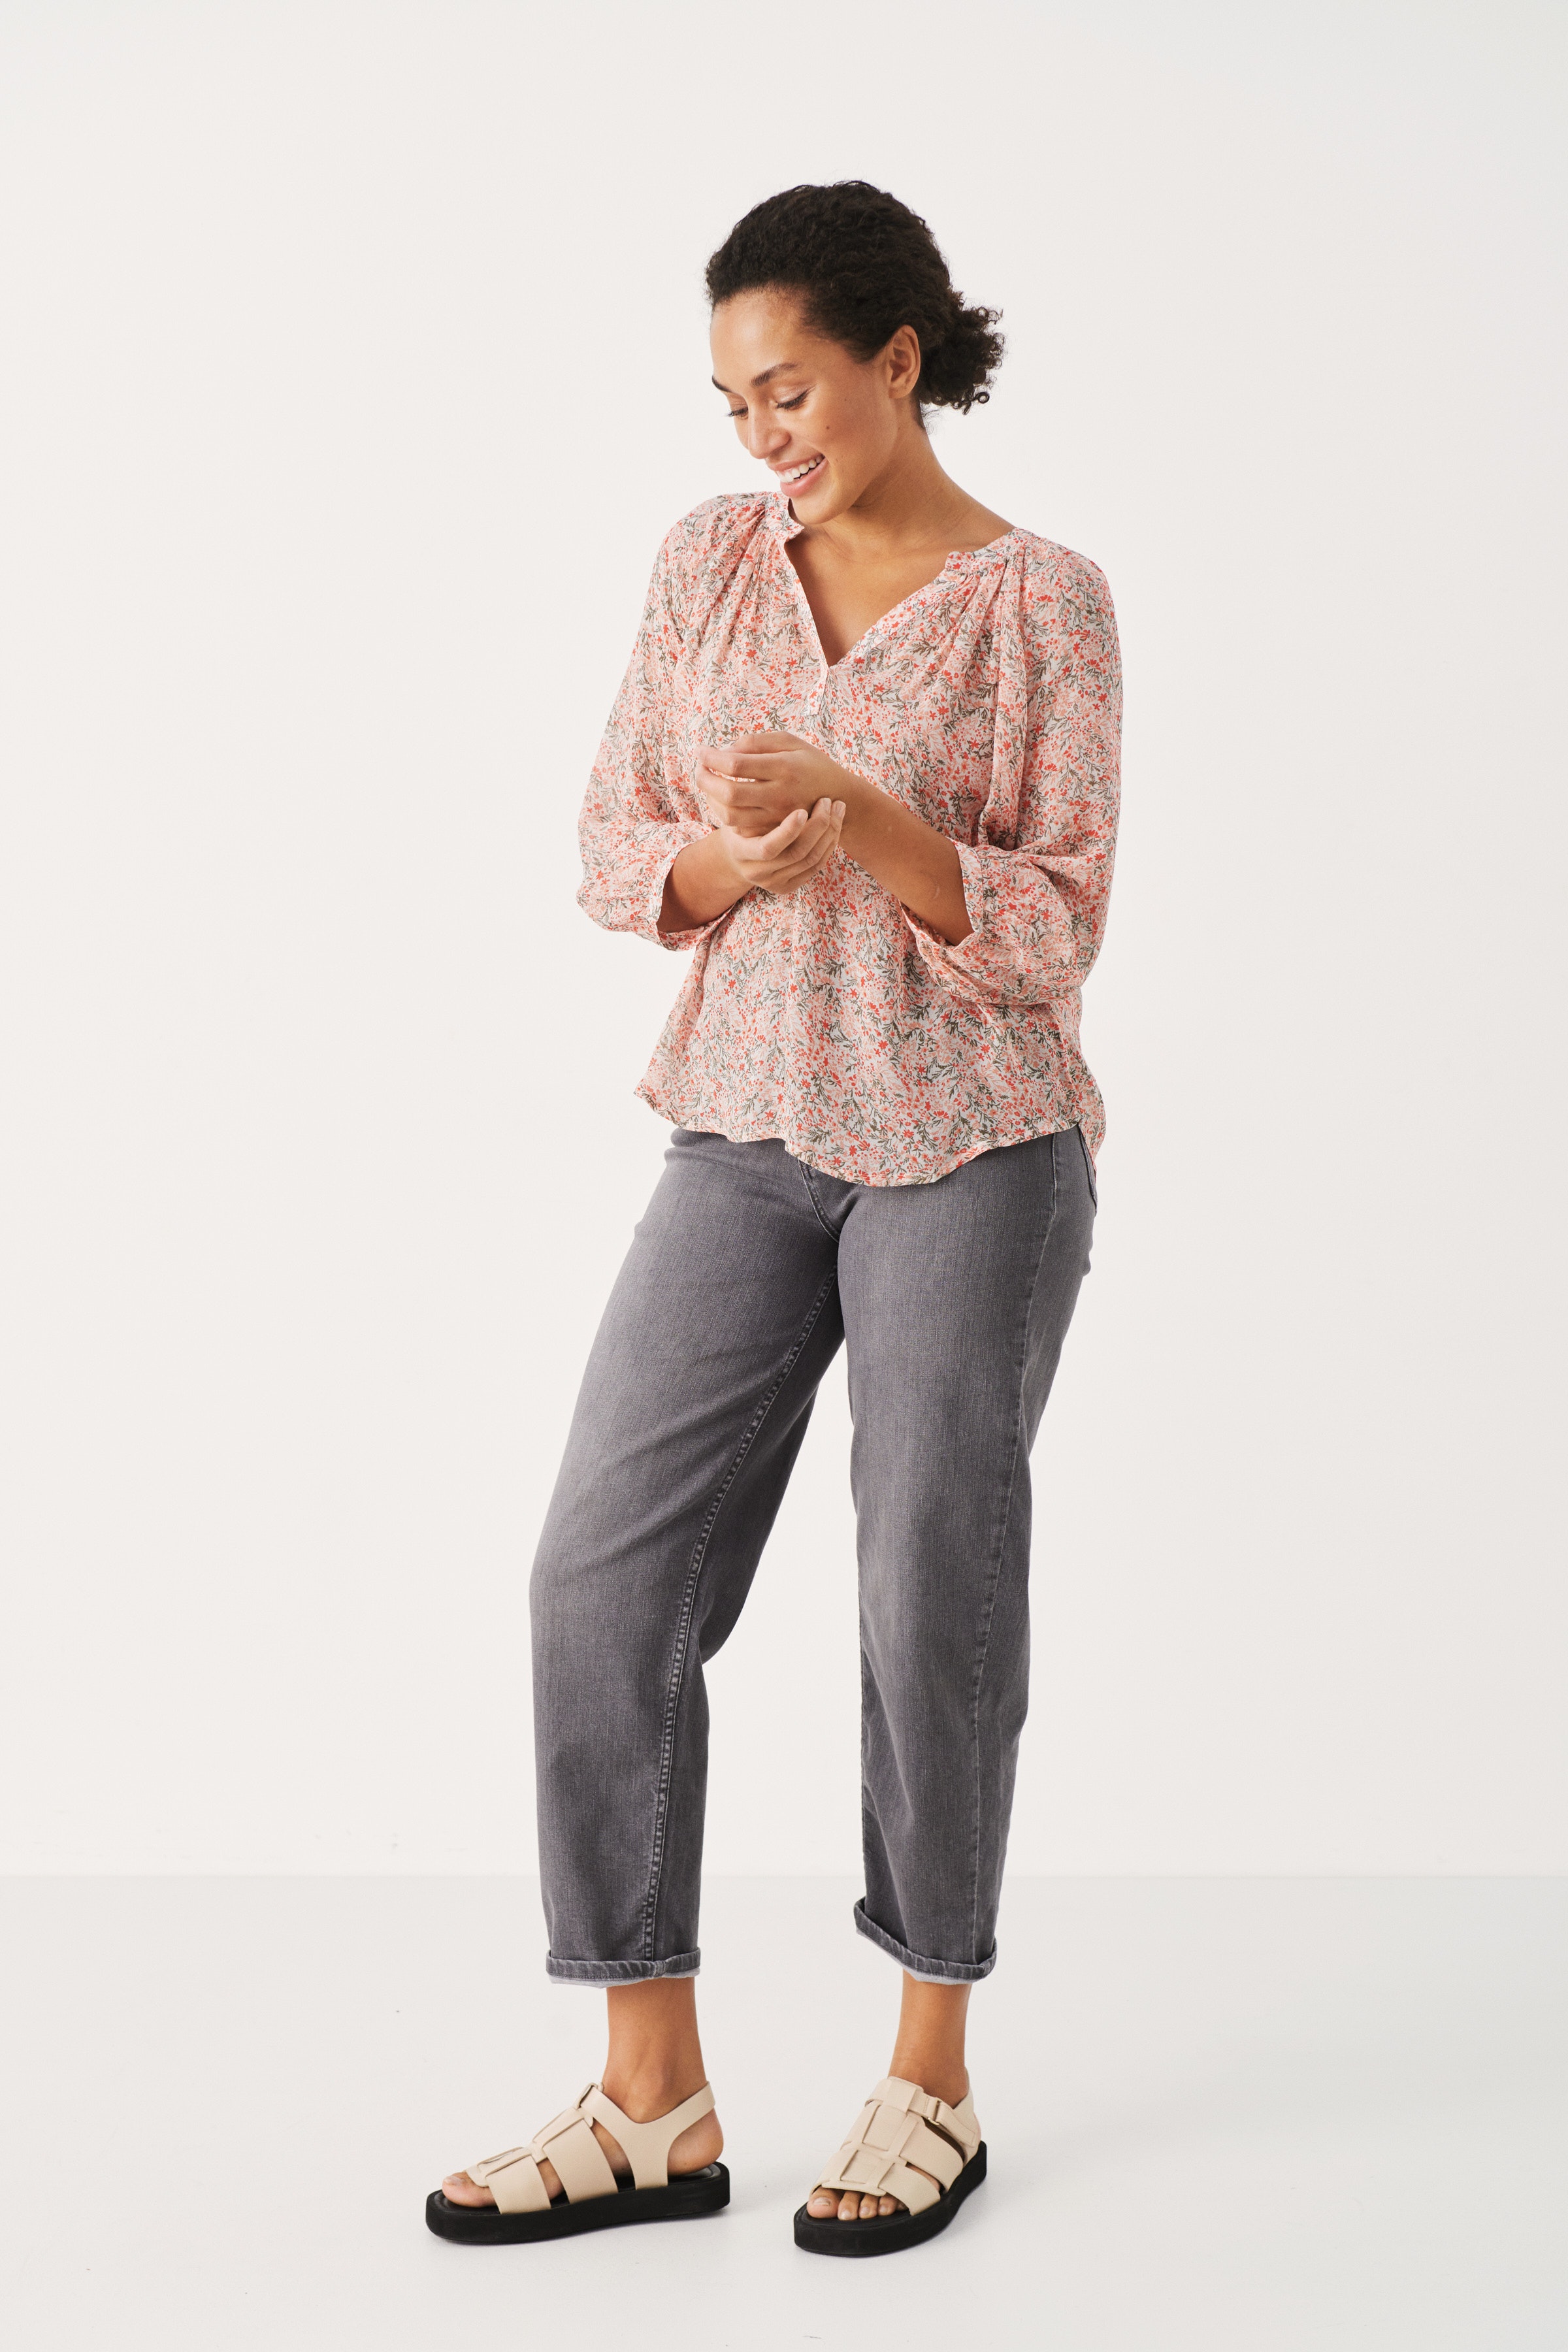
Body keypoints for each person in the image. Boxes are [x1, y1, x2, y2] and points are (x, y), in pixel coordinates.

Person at [426, 180, 1120, 2259]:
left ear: (900, 358)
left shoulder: (1043, 601)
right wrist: (732, 862)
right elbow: (613, 839)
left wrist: (872, 818)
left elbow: (1057, 929)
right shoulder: (706, 563)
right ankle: (653, 2096)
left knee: (927, 1590)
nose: (762, 436)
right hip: (741, 1128)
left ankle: (932, 2076)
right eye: (733, 402)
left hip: (974, 1145)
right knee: (599, 1577)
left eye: (792, 389)